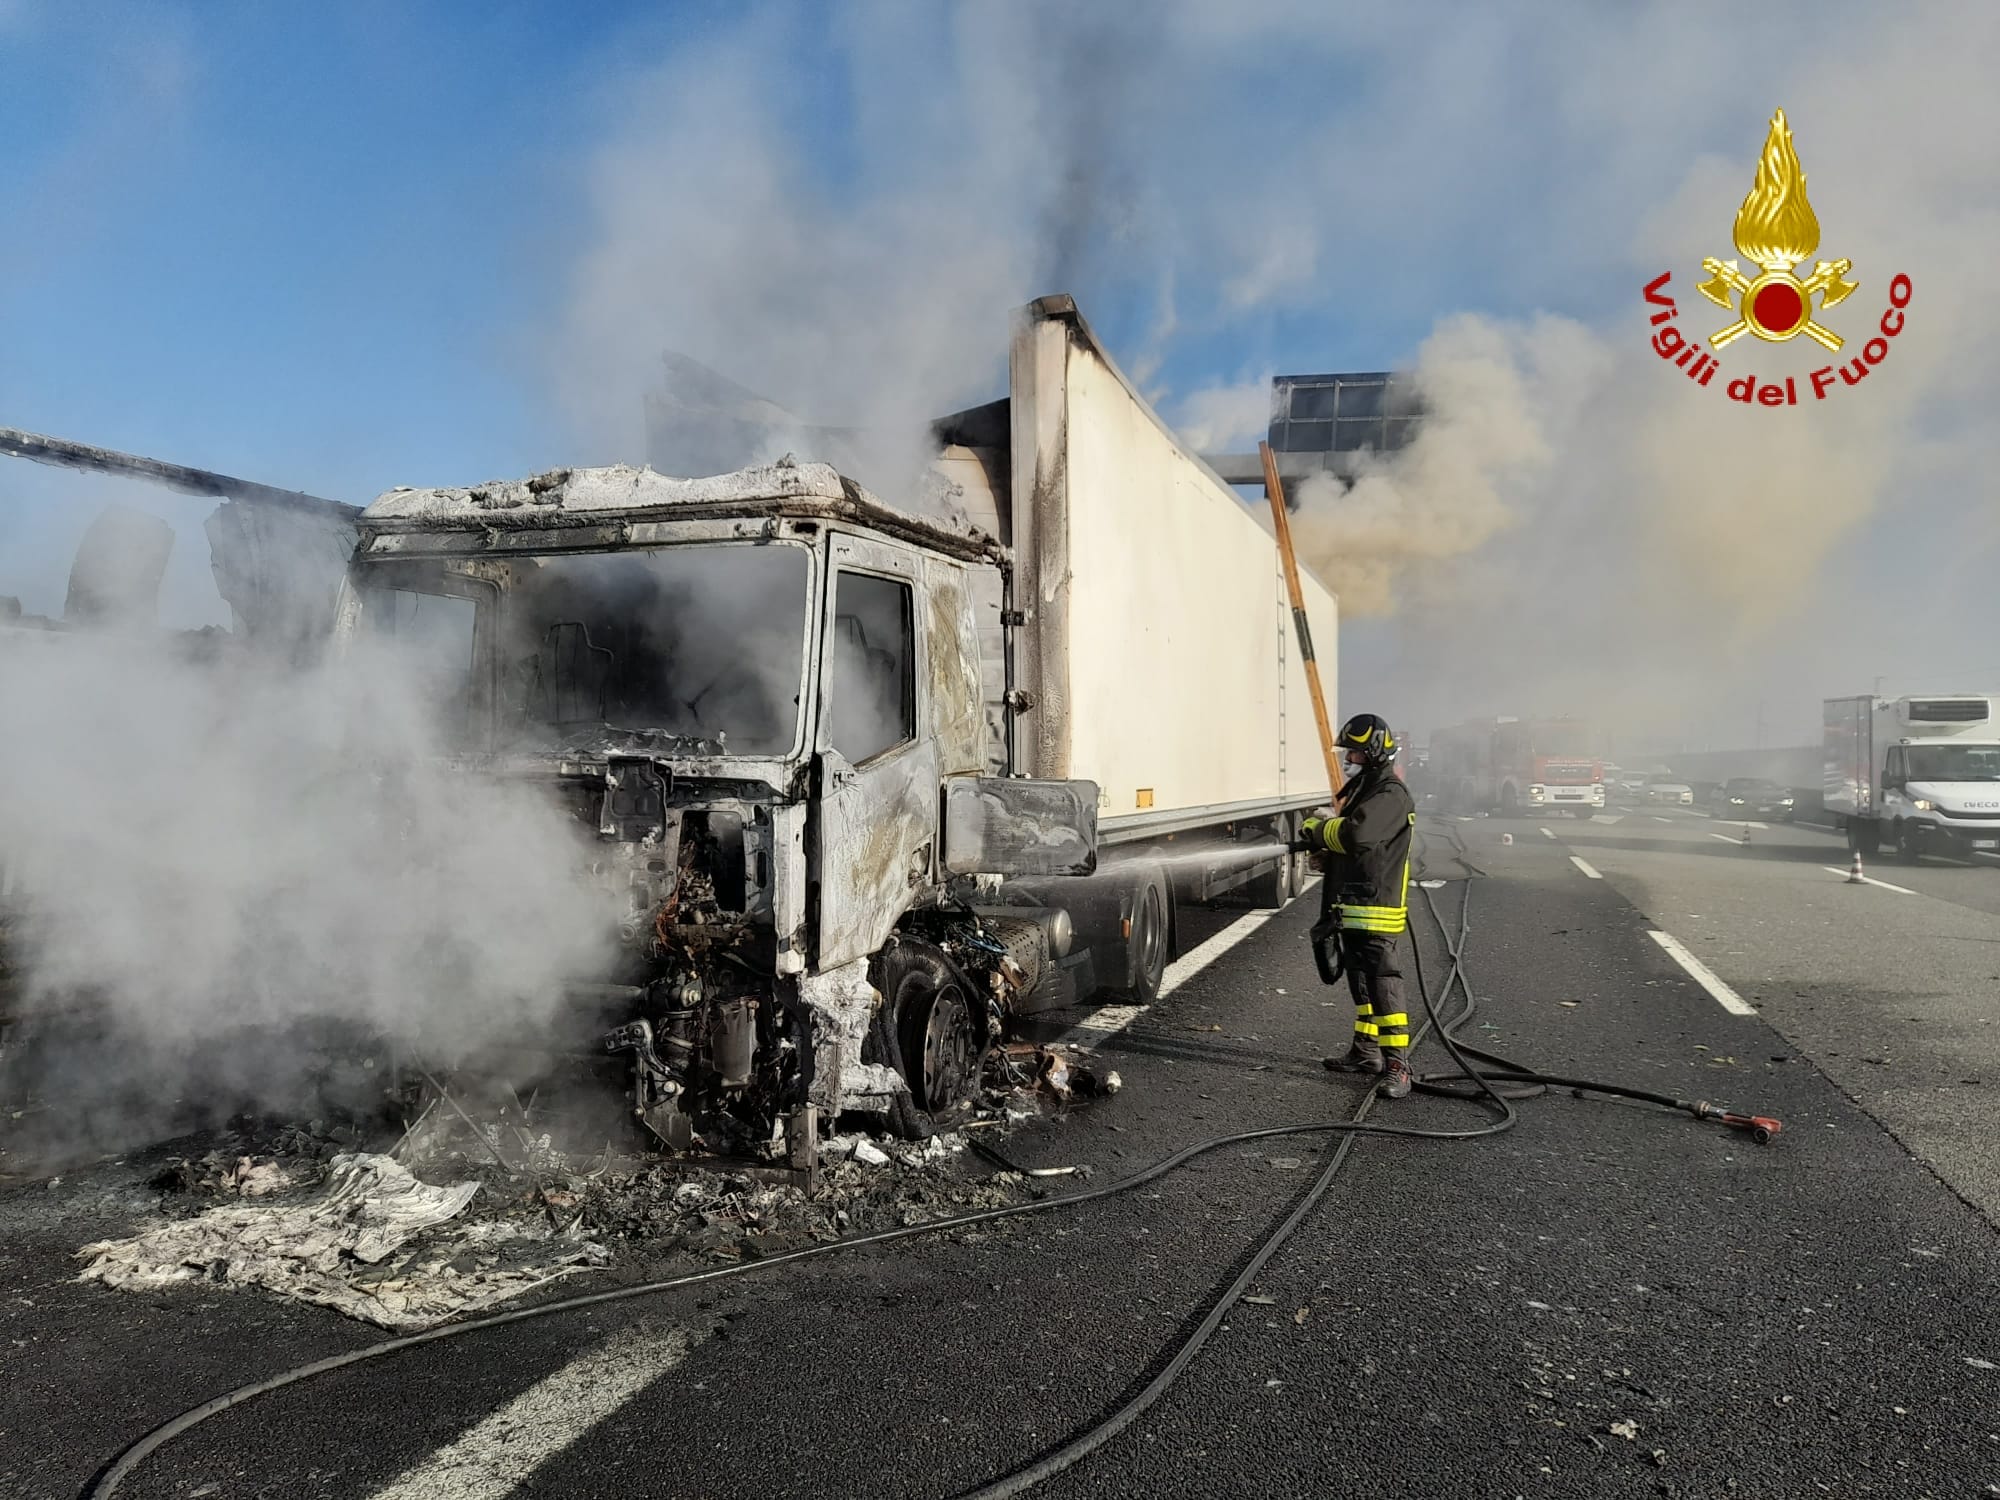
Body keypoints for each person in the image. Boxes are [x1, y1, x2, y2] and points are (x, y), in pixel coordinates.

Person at [1302, 712, 1418, 1099]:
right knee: (1360, 982)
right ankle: (1366, 1053)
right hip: (1352, 904)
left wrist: (1318, 830)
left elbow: (1359, 835)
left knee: (1382, 983)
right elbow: (1352, 846)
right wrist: (1327, 855)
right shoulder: (1367, 788)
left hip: (1375, 907)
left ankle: (1398, 1064)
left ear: (1373, 753)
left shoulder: (1390, 794)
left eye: (1354, 753)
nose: (1348, 760)